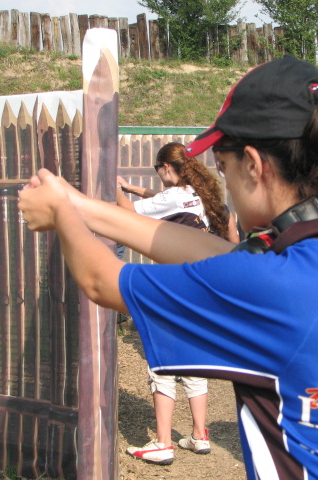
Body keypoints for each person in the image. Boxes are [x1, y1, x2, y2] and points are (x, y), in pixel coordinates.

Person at [18, 55, 318, 479]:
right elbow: (222, 257)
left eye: (224, 166)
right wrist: (80, 204)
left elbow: (101, 281)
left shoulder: (274, 285)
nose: (225, 181)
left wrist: (62, 214)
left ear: (253, 165)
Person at [116, 142, 231, 465]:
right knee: (193, 361)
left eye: (158, 170)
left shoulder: (175, 196)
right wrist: (133, 187)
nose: (157, 175)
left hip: (176, 288)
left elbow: (129, 213)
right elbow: (162, 198)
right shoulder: (198, 193)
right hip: (202, 290)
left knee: (163, 361)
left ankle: (163, 443)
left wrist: (115, 190)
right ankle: (199, 435)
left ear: (166, 167)